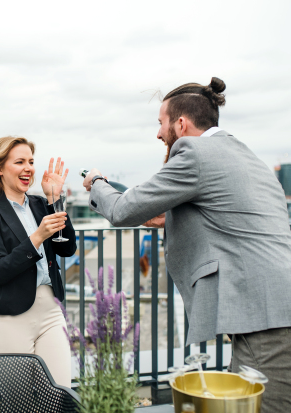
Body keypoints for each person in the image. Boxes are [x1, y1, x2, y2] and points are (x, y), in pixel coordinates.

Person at [83, 77, 291, 412]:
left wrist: (97, 183)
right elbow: (227, 216)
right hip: (273, 305)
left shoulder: (194, 153)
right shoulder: (244, 155)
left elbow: (122, 210)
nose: (159, 133)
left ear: (181, 123)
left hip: (266, 314)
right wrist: (169, 217)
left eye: (161, 123)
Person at [0, 136, 77, 387]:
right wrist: (37, 237)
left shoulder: (41, 204)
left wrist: (55, 200)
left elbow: (67, 248)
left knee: (59, 395)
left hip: (50, 312)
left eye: (31, 161)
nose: (29, 167)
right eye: (19, 162)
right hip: (8, 317)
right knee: (20, 404)